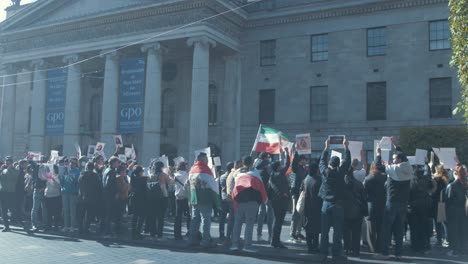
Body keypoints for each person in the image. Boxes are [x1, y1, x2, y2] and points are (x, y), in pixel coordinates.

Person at [377, 137, 413, 261]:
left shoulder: (395, 168)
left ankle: (385, 253)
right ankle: (399, 253)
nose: (392, 161)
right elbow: (405, 157)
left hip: (392, 202)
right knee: (399, 229)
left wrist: (378, 154)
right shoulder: (408, 167)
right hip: (403, 203)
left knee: (387, 228)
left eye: (394, 159)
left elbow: (378, 167)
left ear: (399, 160)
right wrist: (395, 145)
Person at [319, 138, 351, 263]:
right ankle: (336, 254)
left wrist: (326, 147)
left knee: (324, 231)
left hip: (325, 205)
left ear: (330, 164)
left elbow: (321, 161)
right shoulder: (340, 172)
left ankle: (323, 253)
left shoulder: (324, 172)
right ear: (338, 164)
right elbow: (347, 162)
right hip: (338, 204)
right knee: (338, 231)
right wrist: (346, 147)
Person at [230, 155, 267, 253]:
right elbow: (261, 188)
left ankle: (234, 244)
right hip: (252, 201)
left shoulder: (237, 174)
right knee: (249, 224)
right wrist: (263, 200)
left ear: (242, 163)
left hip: (239, 201)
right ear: (251, 163)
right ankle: (247, 245)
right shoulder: (255, 174)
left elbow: (232, 187)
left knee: (237, 223)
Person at [188, 153, 220, 248]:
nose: (207, 160)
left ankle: (192, 239)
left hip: (194, 197)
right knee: (205, 220)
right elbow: (213, 186)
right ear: (202, 159)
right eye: (206, 158)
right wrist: (217, 200)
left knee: (195, 220)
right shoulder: (206, 169)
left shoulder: (192, 169)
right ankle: (205, 240)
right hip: (205, 198)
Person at [268, 148, 291, 249]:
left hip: (274, 201)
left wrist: (281, 154)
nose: (282, 166)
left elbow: (283, 165)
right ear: (278, 168)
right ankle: (275, 241)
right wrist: (286, 153)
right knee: (279, 222)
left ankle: (274, 240)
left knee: (276, 221)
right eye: (280, 166)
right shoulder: (280, 174)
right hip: (281, 201)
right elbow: (287, 164)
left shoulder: (272, 175)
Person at [408, 164, 433, 253]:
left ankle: (415, 245)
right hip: (425, 206)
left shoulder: (411, 181)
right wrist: (427, 165)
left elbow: (409, 193)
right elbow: (430, 181)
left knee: (414, 227)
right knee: (424, 226)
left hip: (414, 206)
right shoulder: (426, 179)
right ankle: (425, 244)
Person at [343, 167, 367, 257]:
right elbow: (364, 199)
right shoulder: (359, 184)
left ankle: (346, 248)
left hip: (345, 211)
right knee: (356, 232)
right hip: (357, 211)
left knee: (346, 232)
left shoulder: (342, 185)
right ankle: (356, 250)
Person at [364, 162, 387, 253]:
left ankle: (372, 248)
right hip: (382, 204)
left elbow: (364, 192)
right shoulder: (385, 177)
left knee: (370, 228)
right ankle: (380, 246)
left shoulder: (368, 178)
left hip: (371, 204)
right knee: (380, 227)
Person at [0, 156, 27, 232]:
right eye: (6, 162)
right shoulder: (3, 170)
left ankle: (22, 224)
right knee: (4, 210)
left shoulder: (16, 170)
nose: (7, 163)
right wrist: (1, 170)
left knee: (13, 210)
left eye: (8, 162)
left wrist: (9, 168)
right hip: (3, 192)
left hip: (11, 193)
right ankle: (6, 226)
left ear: (11, 163)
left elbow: (14, 177)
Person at [445, 164, 467, 257]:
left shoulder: (451, 185)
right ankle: (463, 249)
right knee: (463, 231)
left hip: (453, 211)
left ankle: (455, 250)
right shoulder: (466, 184)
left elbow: (448, 200)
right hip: (464, 210)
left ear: (455, 173)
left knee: (454, 232)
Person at [77, 162, 102, 236]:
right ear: (93, 168)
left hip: (82, 197)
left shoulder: (82, 175)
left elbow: (78, 185)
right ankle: (86, 229)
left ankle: (80, 230)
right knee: (89, 215)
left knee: (81, 215)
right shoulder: (96, 176)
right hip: (92, 198)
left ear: (86, 167)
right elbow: (99, 187)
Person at [254, 152, 274, 242]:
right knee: (270, 213)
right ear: (266, 158)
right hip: (268, 191)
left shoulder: (255, 165)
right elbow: (272, 175)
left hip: (259, 191)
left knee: (261, 213)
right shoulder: (267, 165)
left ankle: (259, 235)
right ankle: (270, 235)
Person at [290, 151, 308, 240]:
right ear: (301, 160)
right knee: (296, 212)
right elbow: (293, 163)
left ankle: (298, 232)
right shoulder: (296, 167)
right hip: (296, 192)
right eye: (305, 160)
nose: (306, 161)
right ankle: (293, 232)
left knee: (301, 213)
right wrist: (296, 152)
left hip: (301, 192)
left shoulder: (303, 169)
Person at [431, 164, 449, 247]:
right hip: (445, 202)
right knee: (445, 222)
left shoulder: (436, 179)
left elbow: (433, 191)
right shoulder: (447, 179)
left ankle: (439, 240)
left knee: (437, 222)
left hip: (436, 202)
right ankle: (447, 238)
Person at [102, 156, 121, 235]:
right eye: (117, 162)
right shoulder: (111, 171)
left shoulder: (106, 170)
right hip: (110, 195)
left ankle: (106, 230)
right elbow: (108, 184)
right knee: (109, 214)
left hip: (106, 195)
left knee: (107, 213)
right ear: (113, 163)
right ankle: (107, 231)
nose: (118, 164)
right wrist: (115, 192)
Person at [174, 162, 190, 240]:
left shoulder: (175, 175)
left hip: (178, 197)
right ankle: (189, 231)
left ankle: (177, 234)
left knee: (178, 217)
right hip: (186, 197)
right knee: (189, 215)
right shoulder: (187, 175)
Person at [218, 162, 234, 241]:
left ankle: (221, 233)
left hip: (223, 198)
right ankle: (230, 234)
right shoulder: (233, 177)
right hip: (231, 198)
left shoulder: (222, 177)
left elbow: (219, 188)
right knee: (231, 218)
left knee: (222, 217)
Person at [44, 165, 62, 232]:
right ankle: (48, 225)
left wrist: (53, 179)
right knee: (48, 212)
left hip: (55, 196)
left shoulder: (58, 176)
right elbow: (45, 184)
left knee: (56, 212)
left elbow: (59, 186)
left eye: (52, 168)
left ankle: (56, 226)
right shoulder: (47, 176)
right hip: (47, 195)